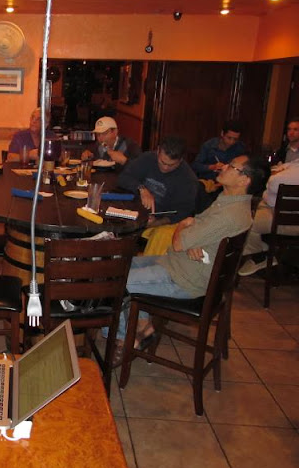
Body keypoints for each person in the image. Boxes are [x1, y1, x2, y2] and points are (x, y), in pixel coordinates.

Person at [109, 155, 270, 363]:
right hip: (181, 263)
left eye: (231, 166)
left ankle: (125, 339)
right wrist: (192, 238)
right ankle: (144, 327)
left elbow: (180, 241)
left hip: (184, 279)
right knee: (116, 268)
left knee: (116, 282)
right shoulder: (228, 202)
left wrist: (183, 226)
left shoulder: (229, 214)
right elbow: (195, 233)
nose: (223, 167)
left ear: (244, 180)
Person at [117, 136, 198, 227]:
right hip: (132, 209)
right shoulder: (148, 158)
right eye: (162, 162)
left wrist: (157, 223)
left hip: (158, 221)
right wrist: (141, 188)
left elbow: (181, 213)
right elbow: (123, 178)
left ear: (181, 160)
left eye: (171, 165)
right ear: (158, 151)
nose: (165, 168)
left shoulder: (188, 180)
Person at [238, 157, 299, 276]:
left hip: (288, 222)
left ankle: (259, 257)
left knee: (246, 220)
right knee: (256, 209)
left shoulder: (282, 177)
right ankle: (263, 251)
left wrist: (267, 195)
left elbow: (270, 197)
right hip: (286, 216)